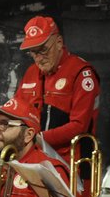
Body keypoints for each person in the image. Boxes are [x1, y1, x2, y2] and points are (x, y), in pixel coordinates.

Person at [7, 15, 101, 157]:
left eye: (43, 50)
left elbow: (79, 125)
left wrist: (38, 139)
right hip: (34, 158)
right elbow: (16, 110)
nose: (38, 58)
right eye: (33, 52)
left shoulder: (81, 73)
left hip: (71, 163)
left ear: (59, 42)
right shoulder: (31, 72)